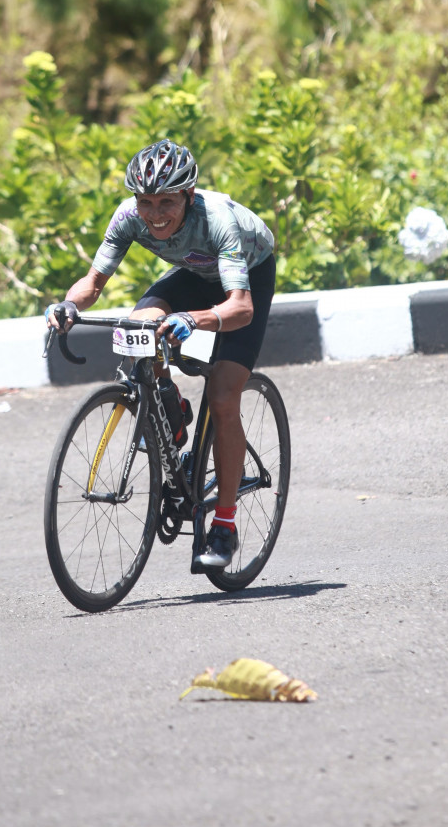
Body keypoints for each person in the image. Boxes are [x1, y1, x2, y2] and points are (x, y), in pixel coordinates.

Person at [44, 139, 276, 571]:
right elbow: (93, 283)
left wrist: (194, 319)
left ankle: (224, 525)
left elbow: (241, 308)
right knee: (139, 326)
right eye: (146, 202)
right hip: (193, 273)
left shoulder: (218, 220)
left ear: (188, 194)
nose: (155, 214)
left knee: (224, 397)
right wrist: (68, 305)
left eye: (167, 201)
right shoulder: (128, 217)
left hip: (246, 281)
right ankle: (172, 410)